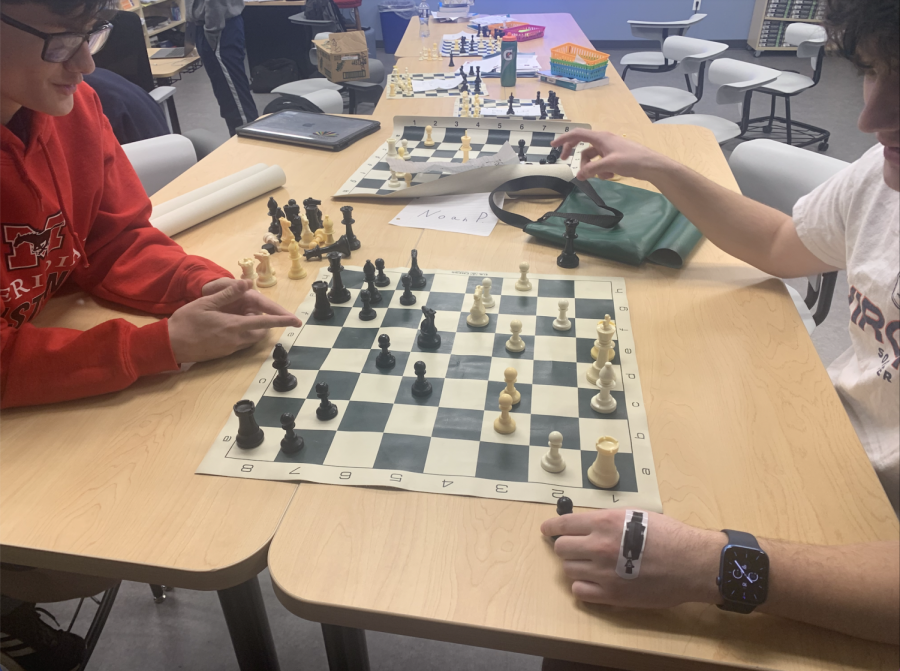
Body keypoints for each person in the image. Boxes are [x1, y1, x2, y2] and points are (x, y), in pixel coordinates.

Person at [542, 0, 899, 656]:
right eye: (877, 71)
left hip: (875, 554)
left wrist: (717, 566)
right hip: (830, 449)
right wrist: (663, 169)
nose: (869, 119)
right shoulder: (884, 177)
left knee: (598, 640)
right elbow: (785, 243)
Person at [0, 0, 300, 666]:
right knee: (79, 552)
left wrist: (195, 286)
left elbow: (111, 239)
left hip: (34, 370)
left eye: (92, 35)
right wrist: (154, 347)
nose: (87, 62)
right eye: (60, 44)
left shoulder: (70, 107)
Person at [185, 0, 258, 136]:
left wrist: (213, 29)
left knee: (235, 97)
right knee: (225, 94)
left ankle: (251, 142)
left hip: (219, 27)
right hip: (209, 26)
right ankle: (239, 142)